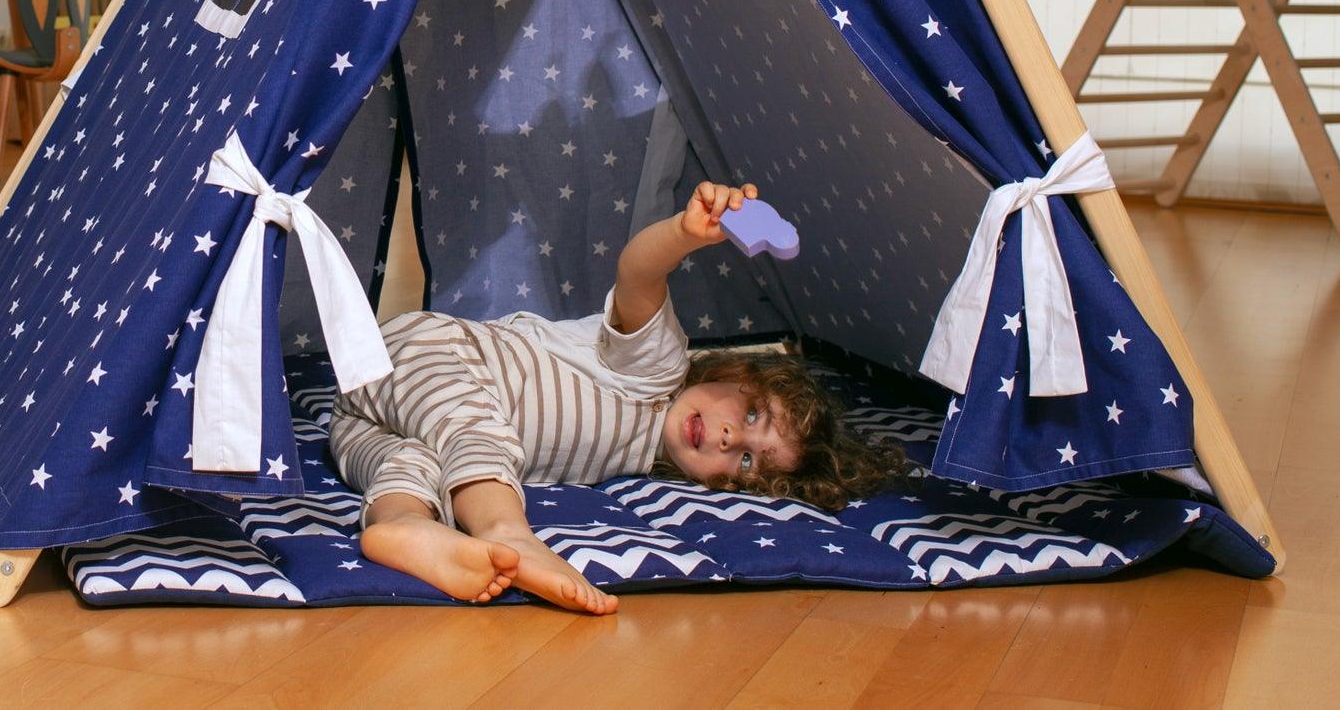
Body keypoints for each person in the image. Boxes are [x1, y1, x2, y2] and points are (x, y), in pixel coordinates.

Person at [328, 180, 907, 613]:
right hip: (429, 354)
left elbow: (434, 441)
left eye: (748, 463)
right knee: (475, 427)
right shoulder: (658, 369)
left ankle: (402, 525)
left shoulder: (643, 463)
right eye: (751, 413)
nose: (732, 439)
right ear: (732, 375)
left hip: (363, 416)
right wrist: (684, 234)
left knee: (410, 461)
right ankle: (506, 533)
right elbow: (638, 275)